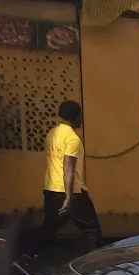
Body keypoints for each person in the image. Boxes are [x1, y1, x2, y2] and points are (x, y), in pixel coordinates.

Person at [37, 100, 101, 253]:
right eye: (80, 116)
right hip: (72, 191)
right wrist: (68, 197)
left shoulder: (52, 134)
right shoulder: (72, 139)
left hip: (51, 189)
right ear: (76, 116)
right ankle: (96, 262)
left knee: (49, 227)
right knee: (92, 231)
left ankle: (31, 253)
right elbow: (68, 168)